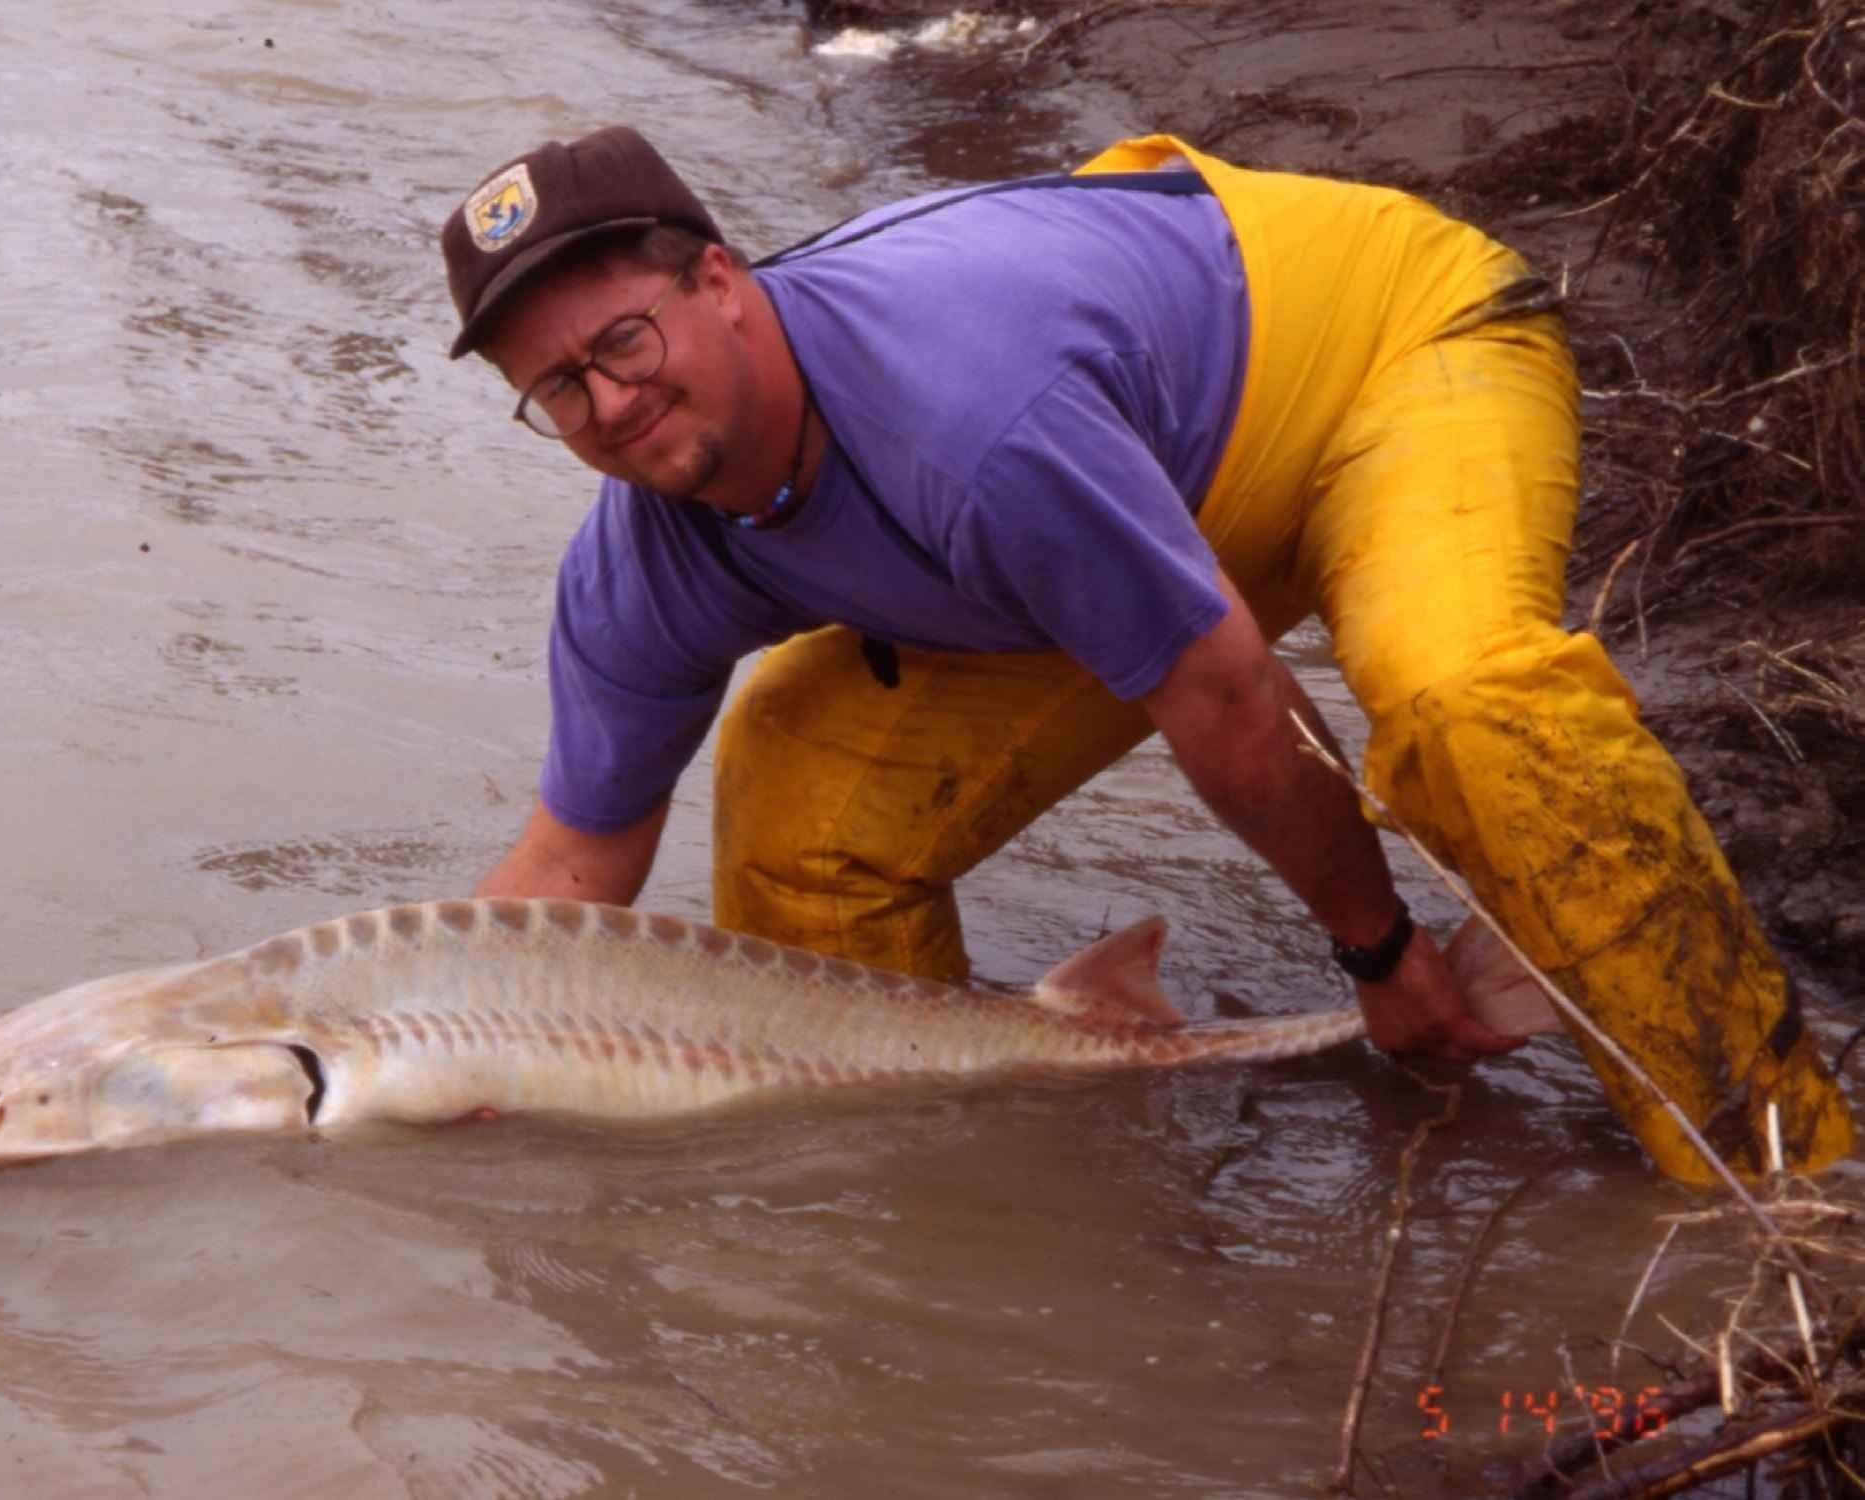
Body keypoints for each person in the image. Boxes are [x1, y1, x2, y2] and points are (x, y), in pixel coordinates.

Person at [436, 124, 1852, 1183]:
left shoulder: (963, 418)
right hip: (1123, 494)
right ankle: (967, 1209)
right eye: (558, 388)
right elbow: (573, 859)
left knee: (1458, 694)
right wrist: (408, 1048)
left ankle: (1773, 1167)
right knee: (797, 801)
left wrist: (1381, 952)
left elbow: (1229, 699)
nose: (610, 402)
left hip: (1382, 355)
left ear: (721, 281)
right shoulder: (642, 559)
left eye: (624, 339)